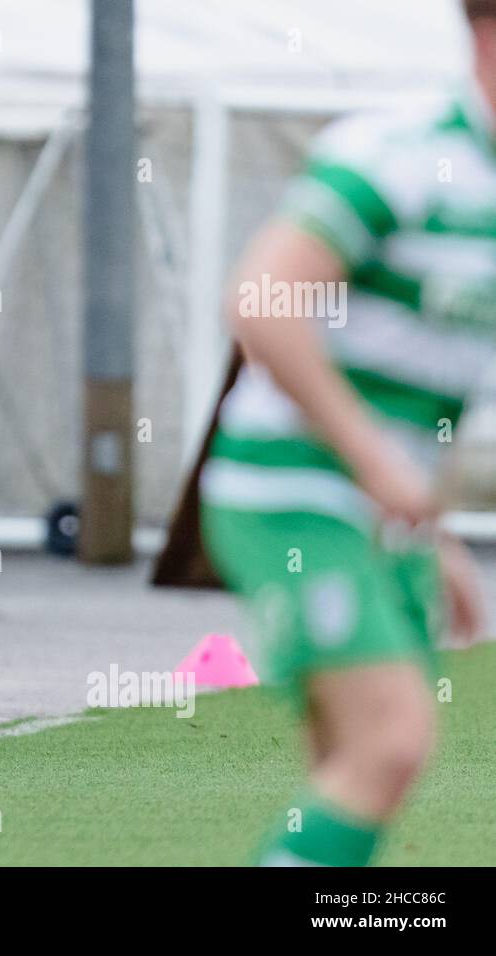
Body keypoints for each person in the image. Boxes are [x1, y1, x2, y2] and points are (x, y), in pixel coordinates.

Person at [200, 0, 496, 866]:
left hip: (368, 513)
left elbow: (423, 392)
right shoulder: (400, 155)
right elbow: (261, 303)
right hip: (288, 494)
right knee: (391, 742)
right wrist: (379, 471)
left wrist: (430, 530)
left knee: (352, 763)